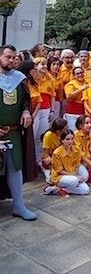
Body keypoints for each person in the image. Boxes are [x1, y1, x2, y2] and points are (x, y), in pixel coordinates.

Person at [0, 50, 37, 220]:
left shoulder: (19, 78)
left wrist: (26, 112)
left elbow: (25, 102)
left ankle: (18, 205)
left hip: (13, 132)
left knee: (15, 167)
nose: (12, 60)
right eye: (8, 57)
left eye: (14, 57)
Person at [43, 128, 90, 196]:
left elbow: (77, 164)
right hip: (60, 176)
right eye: (67, 139)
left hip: (72, 173)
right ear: (62, 140)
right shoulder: (57, 153)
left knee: (86, 189)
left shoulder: (76, 149)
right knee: (75, 181)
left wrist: (76, 175)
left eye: (72, 139)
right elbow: (59, 171)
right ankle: (59, 186)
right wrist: (75, 176)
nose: (70, 141)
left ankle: (61, 189)